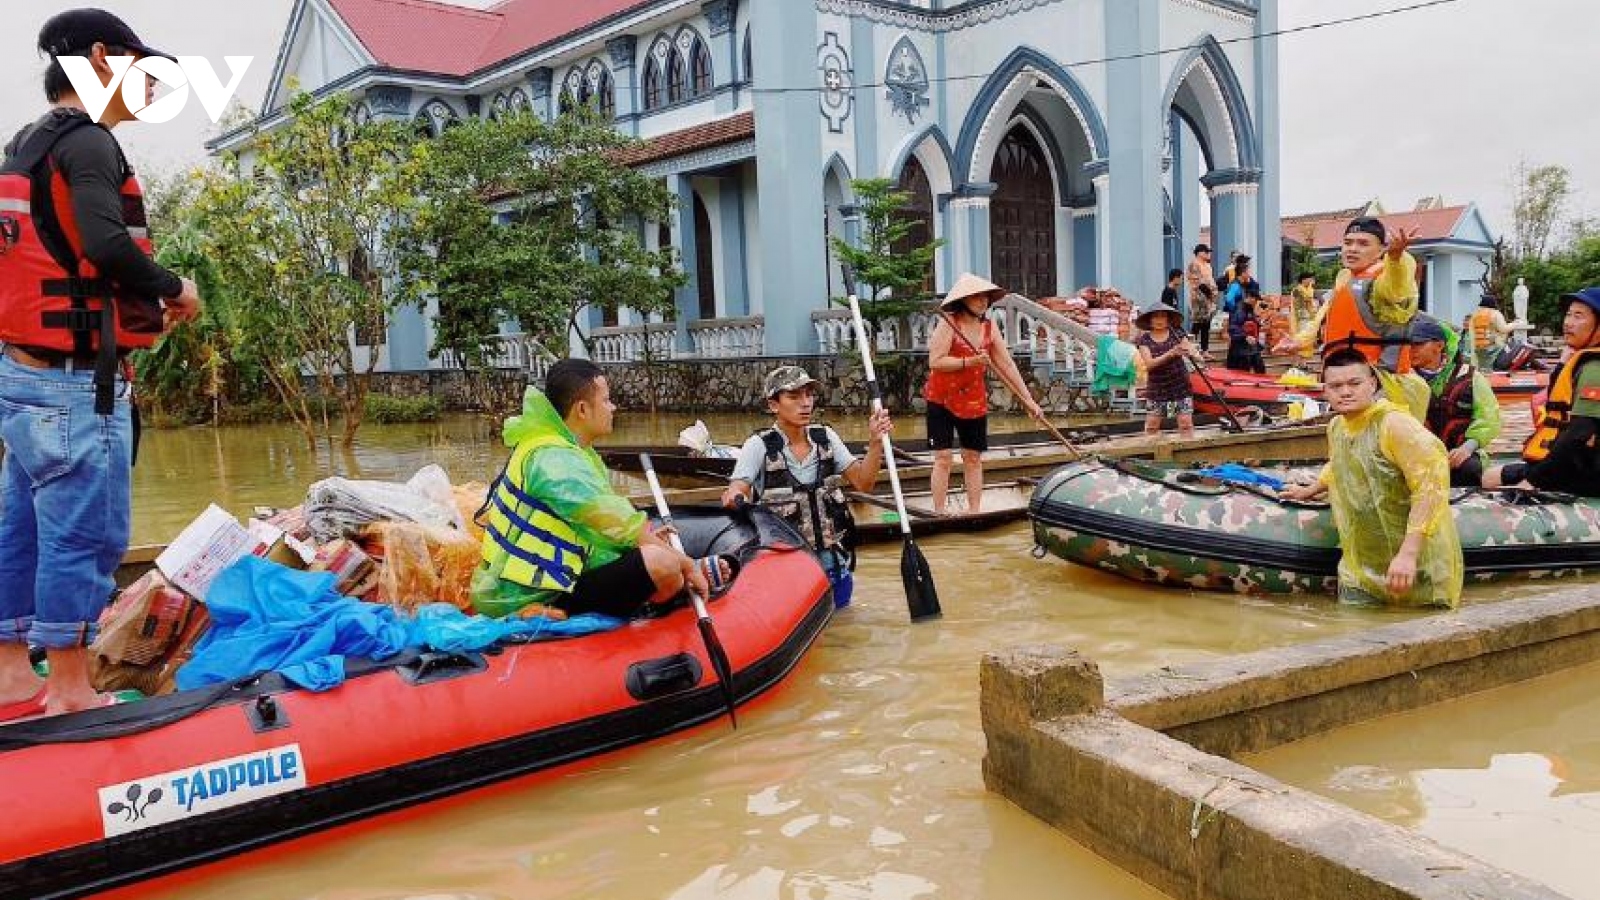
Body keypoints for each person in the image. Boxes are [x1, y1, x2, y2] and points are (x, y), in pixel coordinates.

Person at [0, 9, 203, 721]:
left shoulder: (25, 144)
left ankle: (12, 678)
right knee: (86, 534)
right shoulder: (89, 143)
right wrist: (176, 289)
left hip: (22, 373)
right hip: (72, 383)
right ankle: (69, 689)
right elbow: (107, 244)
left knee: (21, 523)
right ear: (97, 59)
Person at [470, 359, 722, 621]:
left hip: (537, 583)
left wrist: (648, 542)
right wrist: (688, 565)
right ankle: (652, 608)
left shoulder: (565, 448)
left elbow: (592, 529)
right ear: (582, 409)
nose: (613, 407)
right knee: (664, 565)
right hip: (529, 594)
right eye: (606, 400)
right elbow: (620, 524)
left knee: (657, 546)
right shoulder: (555, 461)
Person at [1280, 348, 1462, 608]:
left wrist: (1409, 554)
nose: (1345, 392)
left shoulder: (1395, 425)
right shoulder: (1338, 427)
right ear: (1325, 391)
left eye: (1354, 383)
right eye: (1336, 386)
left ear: (1372, 383)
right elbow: (1341, 463)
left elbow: (1430, 486)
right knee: (1353, 633)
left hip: (1416, 561)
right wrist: (1312, 489)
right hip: (1362, 566)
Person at [720, 366, 891, 609]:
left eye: (809, 395)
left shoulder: (826, 437)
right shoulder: (758, 446)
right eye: (794, 396)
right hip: (787, 571)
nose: (805, 403)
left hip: (834, 565)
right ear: (773, 405)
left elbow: (864, 483)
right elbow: (738, 488)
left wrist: (875, 443)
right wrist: (735, 495)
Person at [923, 273, 1045, 515]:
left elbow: (1007, 365)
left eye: (985, 297)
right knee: (944, 457)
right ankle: (938, 511)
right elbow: (935, 361)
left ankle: (974, 510)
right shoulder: (949, 323)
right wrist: (970, 361)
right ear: (964, 300)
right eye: (976, 297)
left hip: (973, 401)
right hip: (942, 399)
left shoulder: (989, 329)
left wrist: (1028, 400)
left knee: (972, 457)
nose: (982, 301)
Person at [1482, 288, 1600, 497]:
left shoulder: (1594, 370)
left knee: (1490, 478)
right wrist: (1563, 364)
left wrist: (1533, 480)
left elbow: (1579, 435)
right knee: (1491, 477)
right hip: (1578, 461)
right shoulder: (1580, 361)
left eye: (1578, 316)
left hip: (1588, 471)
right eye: (1568, 314)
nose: (1568, 322)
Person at [1274, 216, 1421, 373]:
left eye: (1363, 243)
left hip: (1375, 381)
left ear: (1381, 250)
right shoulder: (1345, 279)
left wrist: (1395, 257)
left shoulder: (1383, 278)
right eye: (1348, 242)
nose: (1352, 249)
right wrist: (1299, 341)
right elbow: (1320, 318)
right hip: (1340, 374)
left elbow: (1397, 287)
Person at [1407, 314, 1501, 487]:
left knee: (1470, 469)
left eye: (1418, 344)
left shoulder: (1471, 377)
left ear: (1439, 346)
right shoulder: (1403, 379)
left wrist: (1466, 449)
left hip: (1460, 453)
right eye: (1408, 345)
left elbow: (1489, 420)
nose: (1411, 349)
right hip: (1418, 454)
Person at [1133, 303, 1201, 437]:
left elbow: (1191, 350)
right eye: (1155, 317)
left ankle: (1187, 454)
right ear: (1150, 320)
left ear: (1168, 319)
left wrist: (1193, 353)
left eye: (1163, 317)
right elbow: (1150, 364)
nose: (1159, 320)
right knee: (1152, 426)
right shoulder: (1144, 340)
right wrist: (1171, 353)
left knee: (1185, 424)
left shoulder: (1177, 334)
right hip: (1157, 388)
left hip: (1180, 386)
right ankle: (1152, 454)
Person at [1225, 261, 1267, 374]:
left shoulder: (1244, 287)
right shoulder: (1235, 287)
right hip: (1240, 345)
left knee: (1259, 368)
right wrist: (1245, 336)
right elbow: (1229, 302)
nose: (1249, 274)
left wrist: (1256, 321)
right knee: (1240, 371)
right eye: (1247, 271)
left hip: (1248, 344)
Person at [1185, 243, 1218, 353]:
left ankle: (1205, 350)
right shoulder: (1194, 264)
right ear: (1199, 253)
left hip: (1209, 299)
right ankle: (1190, 348)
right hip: (1199, 298)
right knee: (1197, 324)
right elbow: (1196, 281)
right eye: (1206, 252)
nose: (1208, 254)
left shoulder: (1208, 265)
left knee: (1206, 325)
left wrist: (1213, 294)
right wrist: (1208, 292)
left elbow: (1211, 280)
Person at [1469, 293, 1515, 371]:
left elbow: (1472, 334)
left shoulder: (1475, 315)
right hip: (1495, 347)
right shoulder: (1495, 313)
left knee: (1483, 370)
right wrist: (1515, 324)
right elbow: (1503, 329)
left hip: (1479, 348)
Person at [1290, 272, 1320, 359]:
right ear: (1303, 280)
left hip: (1308, 318)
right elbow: (1305, 299)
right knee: (1301, 339)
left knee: (1307, 340)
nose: (1311, 281)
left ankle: (1303, 363)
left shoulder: (1308, 290)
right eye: (1310, 279)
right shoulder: (1297, 290)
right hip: (1301, 319)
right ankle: (1299, 363)